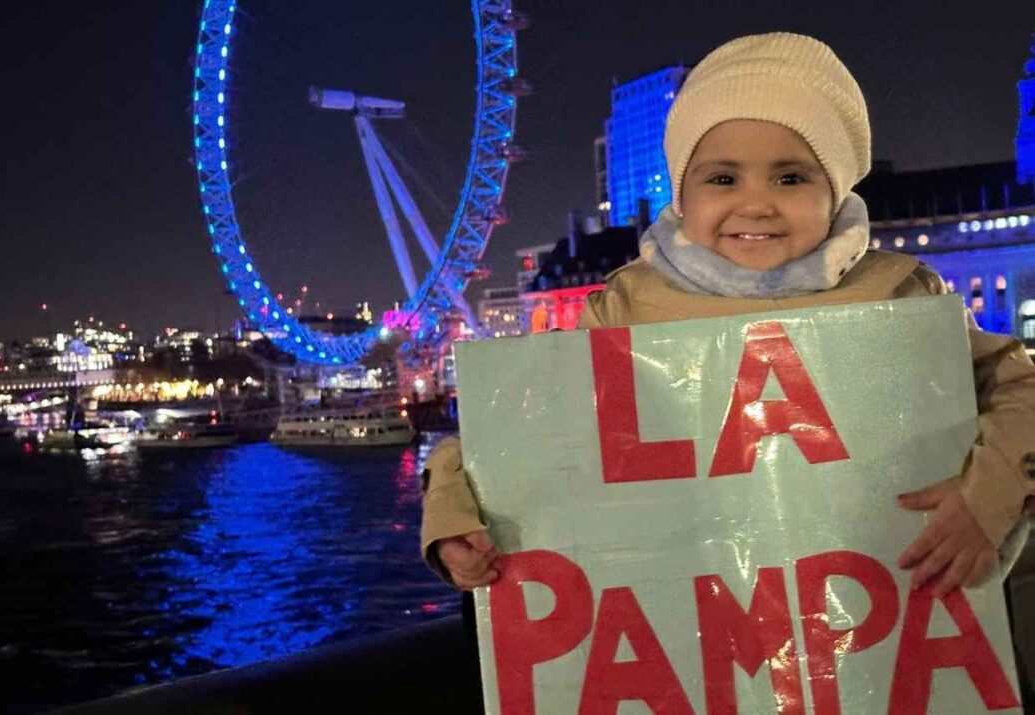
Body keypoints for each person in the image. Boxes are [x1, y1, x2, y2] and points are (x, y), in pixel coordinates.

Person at [420, 32, 1035, 600]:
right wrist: (452, 515)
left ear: (838, 189)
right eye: (722, 178)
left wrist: (991, 493)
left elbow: (1019, 388)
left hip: (876, 615)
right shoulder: (624, 309)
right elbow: (521, 431)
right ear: (681, 195)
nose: (757, 203)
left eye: (790, 177)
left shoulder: (900, 292)